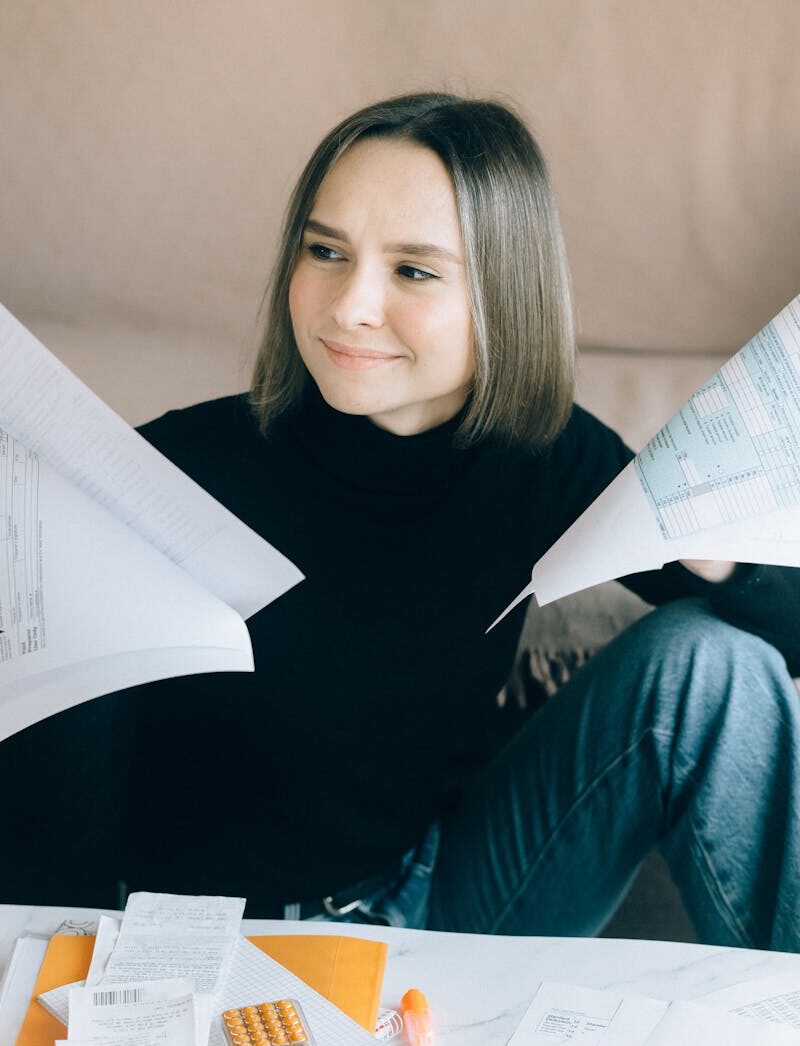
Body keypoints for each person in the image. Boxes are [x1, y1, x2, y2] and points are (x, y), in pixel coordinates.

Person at [4, 92, 800, 949]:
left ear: (505, 294)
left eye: (413, 271)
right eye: (325, 252)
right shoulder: (160, 475)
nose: (349, 306)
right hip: (199, 948)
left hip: (432, 904)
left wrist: (714, 556)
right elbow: (47, 858)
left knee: (709, 664)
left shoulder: (545, 454)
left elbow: (778, 644)